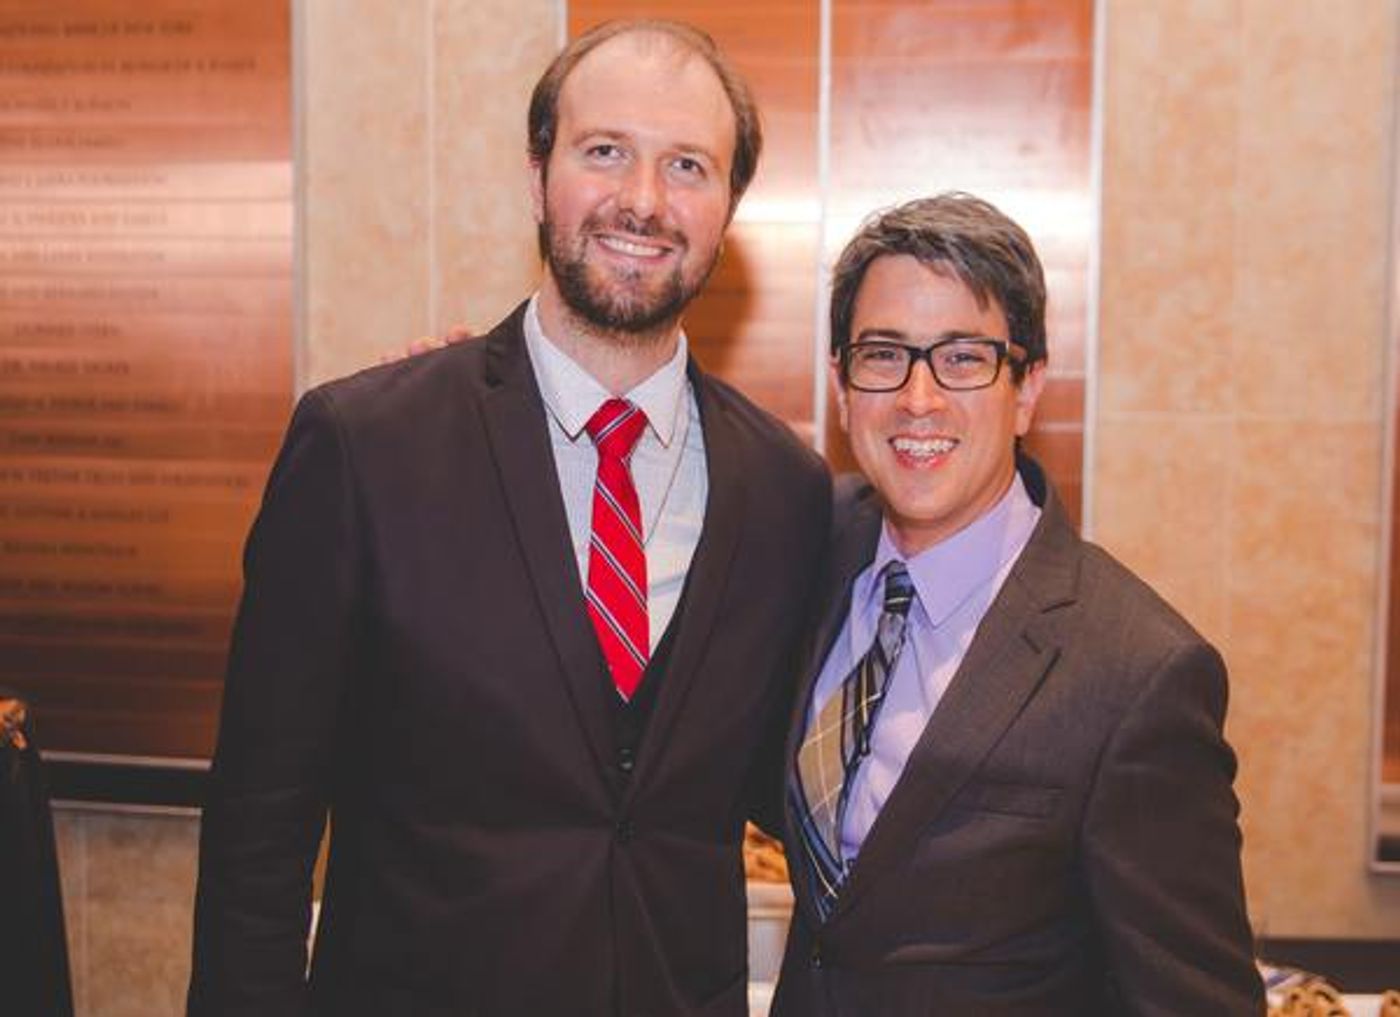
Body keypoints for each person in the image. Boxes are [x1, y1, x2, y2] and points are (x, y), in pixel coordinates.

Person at [187, 20, 830, 1016]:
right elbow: (257, 830)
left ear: (727, 208)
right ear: (538, 177)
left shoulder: (785, 492)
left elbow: (787, 787)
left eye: (687, 165)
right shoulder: (366, 449)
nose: (643, 201)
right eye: (603, 151)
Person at [774, 194, 1263, 1015]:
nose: (918, 398)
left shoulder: (1137, 672)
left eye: (963, 358)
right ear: (841, 384)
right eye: (884, 354)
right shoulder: (807, 554)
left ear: (1028, 386)